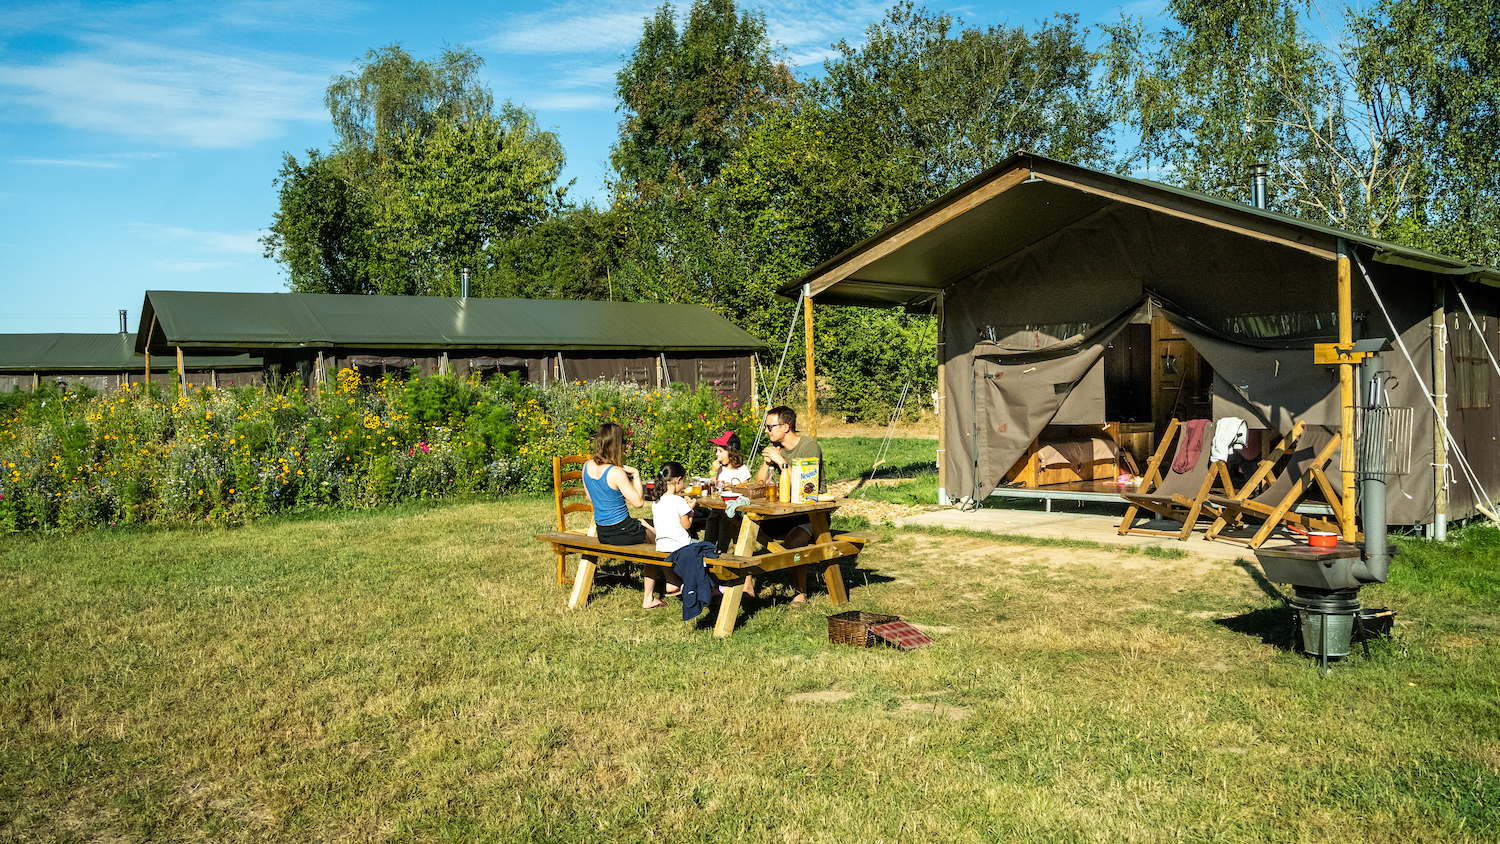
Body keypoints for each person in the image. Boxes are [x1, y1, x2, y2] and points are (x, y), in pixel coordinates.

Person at [581, 423, 661, 606]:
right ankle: (650, 597)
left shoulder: (586, 466)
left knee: (650, 523)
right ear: (616, 444)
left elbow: (590, 498)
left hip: (604, 532)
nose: (625, 446)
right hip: (623, 531)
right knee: (661, 537)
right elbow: (639, 502)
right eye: (623, 442)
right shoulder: (616, 472)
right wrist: (636, 475)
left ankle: (672, 582)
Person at [752, 405, 825, 603]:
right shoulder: (778, 450)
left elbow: (806, 486)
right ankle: (747, 589)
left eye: (770, 427)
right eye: (766, 427)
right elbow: (759, 486)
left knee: (793, 542)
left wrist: (781, 461)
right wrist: (767, 463)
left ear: (786, 426)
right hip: (784, 512)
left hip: (810, 513)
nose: (767, 431)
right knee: (748, 529)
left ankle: (800, 592)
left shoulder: (809, 447)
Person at [644, 461, 692, 609]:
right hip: (680, 545)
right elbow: (686, 525)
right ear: (678, 480)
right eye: (683, 481)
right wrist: (691, 510)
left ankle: (672, 583)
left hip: (661, 545)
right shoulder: (679, 501)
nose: (683, 486)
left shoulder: (656, 501)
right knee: (702, 546)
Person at [703, 431, 751, 551]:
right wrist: (713, 472)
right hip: (716, 509)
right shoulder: (720, 469)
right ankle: (707, 551)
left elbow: (744, 488)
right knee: (711, 523)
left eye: (720, 451)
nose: (717, 454)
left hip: (733, 511)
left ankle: (721, 552)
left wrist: (729, 486)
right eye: (717, 451)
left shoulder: (742, 470)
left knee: (726, 523)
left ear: (731, 451)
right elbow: (712, 487)